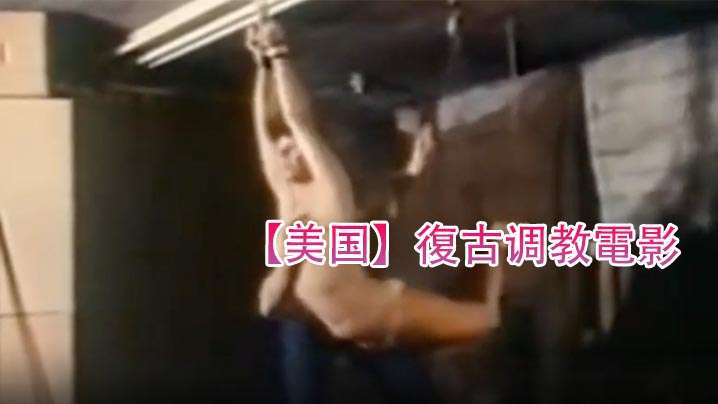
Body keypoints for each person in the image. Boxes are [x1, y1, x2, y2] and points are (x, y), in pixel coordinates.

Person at [246, 20, 503, 403]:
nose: (282, 157)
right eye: (280, 152)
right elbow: (265, 132)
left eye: (291, 149)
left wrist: (279, 55)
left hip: (377, 315)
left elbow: (299, 122)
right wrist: (261, 64)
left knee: (485, 321)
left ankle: (495, 252)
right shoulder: (288, 195)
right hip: (323, 323)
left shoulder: (329, 191)